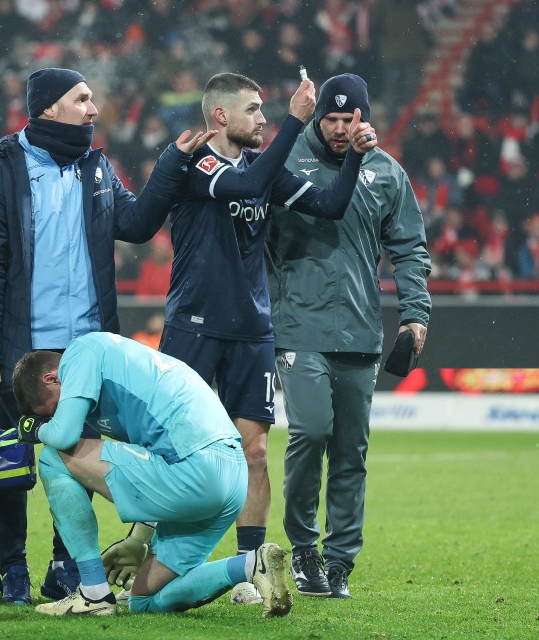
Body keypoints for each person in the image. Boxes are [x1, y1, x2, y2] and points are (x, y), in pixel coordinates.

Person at [0, 67, 214, 605]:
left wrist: (171, 162)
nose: (94, 108)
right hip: (21, 352)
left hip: (86, 354)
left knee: (77, 458)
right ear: (50, 108)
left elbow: (139, 223)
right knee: (9, 463)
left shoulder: (96, 168)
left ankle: (65, 565)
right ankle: (8, 567)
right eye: (82, 99)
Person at [155, 71, 377, 606]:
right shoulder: (200, 162)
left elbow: (329, 206)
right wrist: (298, 121)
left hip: (253, 329)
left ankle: (251, 568)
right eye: (254, 110)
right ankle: (159, 558)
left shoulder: (261, 164)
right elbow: (246, 189)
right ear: (221, 116)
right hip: (194, 325)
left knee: (254, 452)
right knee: (175, 450)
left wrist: (352, 158)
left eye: (266, 109)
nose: (264, 118)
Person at [265, 73, 431, 599]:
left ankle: (338, 564)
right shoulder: (286, 163)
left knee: (350, 453)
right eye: (330, 119)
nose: (339, 129)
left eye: (348, 119)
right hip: (298, 326)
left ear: (364, 117)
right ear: (317, 117)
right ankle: (304, 549)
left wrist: (415, 314)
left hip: (361, 332)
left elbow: (410, 249)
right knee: (309, 432)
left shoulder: (387, 173)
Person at [10, 332, 293, 618]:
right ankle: (250, 564)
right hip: (231, 477)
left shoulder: (80, 352)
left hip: (196, 468)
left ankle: (93, 593)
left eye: (55, 409)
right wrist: (138, 540)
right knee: (143, 601)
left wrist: (36, 430)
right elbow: (153, 454)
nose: (60, 415)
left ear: (51, 379)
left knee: (53, 457)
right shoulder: (124, 370)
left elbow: (64, 433)